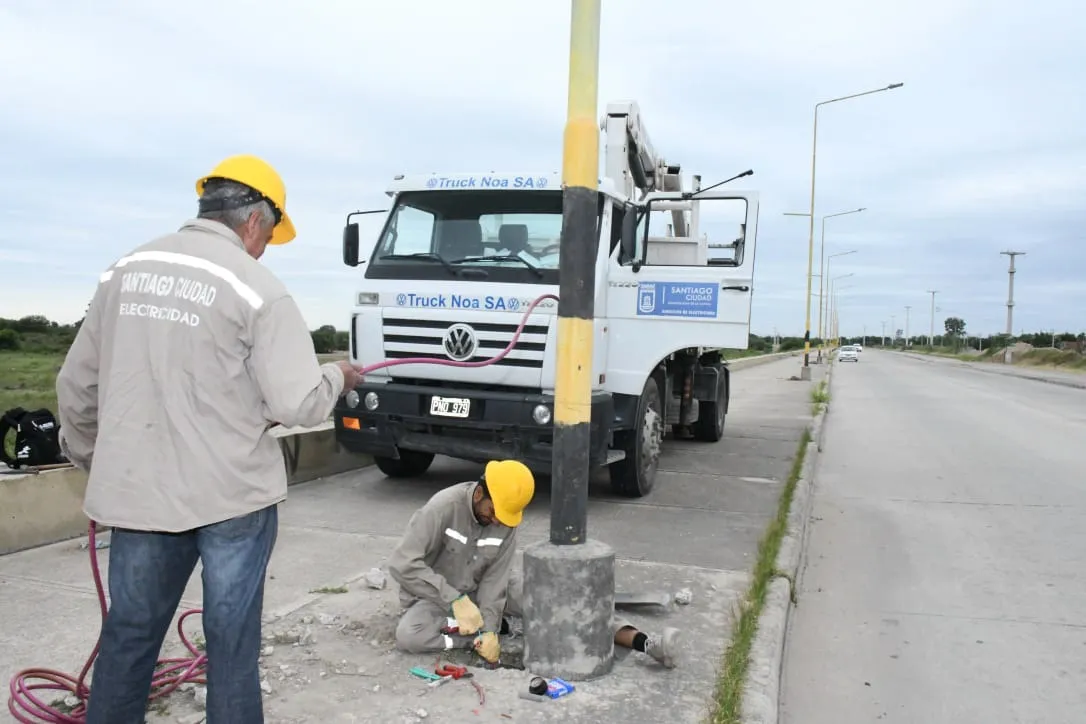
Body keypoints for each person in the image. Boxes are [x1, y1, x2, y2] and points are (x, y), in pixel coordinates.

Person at [55, 154, 362, 724]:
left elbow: (76, 385)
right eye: (270, 234)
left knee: (128, 636)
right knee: (231, 648)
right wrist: (337, 378)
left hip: (139, 495)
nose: (265, 246)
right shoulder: (258, 289)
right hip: (231, 499)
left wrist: (98, 458)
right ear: (254, 220)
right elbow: (295, 401)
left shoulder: (125, 270)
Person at [387, 460, 680, 669]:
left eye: (505, 516)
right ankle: (471, 639)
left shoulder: (505, 520)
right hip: (439, 596)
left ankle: (645, 643)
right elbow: (402, 564)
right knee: (410, 635)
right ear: (479, 494)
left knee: (553, 600)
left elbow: (494, 581)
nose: (499, 521)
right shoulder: (442, 508)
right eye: (494, 511)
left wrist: (487, 626)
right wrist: (454, 601)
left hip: (482, 590)